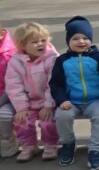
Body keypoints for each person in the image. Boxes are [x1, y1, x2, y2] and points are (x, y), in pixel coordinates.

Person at [51, 16, 99, 170]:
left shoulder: (97, 57)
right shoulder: (62, 60)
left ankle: (95, 150)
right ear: (68, 41)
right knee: (62, 116)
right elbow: (56, 83)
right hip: (71, 101)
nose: (81, 41)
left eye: (85, 38)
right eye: (75, 38)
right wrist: (61, 100)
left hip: (95, 100)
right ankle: (68, 144)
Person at [1, 22, 59, 162]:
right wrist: (21, 108)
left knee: (48, 122)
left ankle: (51, 144)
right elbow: (14, 87)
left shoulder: (53, 58)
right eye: (34, 42)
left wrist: (48, 105)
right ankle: (29, 145)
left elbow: (54, 84)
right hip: (29, 102)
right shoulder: (15, 62)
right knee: (22, 121)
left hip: (48, 101)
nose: (40, 44)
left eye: (43, 40)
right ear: (22, 45)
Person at [0, 21, 19, 158]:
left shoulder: (12, 55)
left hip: (10, 97)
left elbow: (14, 84)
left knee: (3, 115)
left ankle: (7, 139)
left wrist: (2, 101)